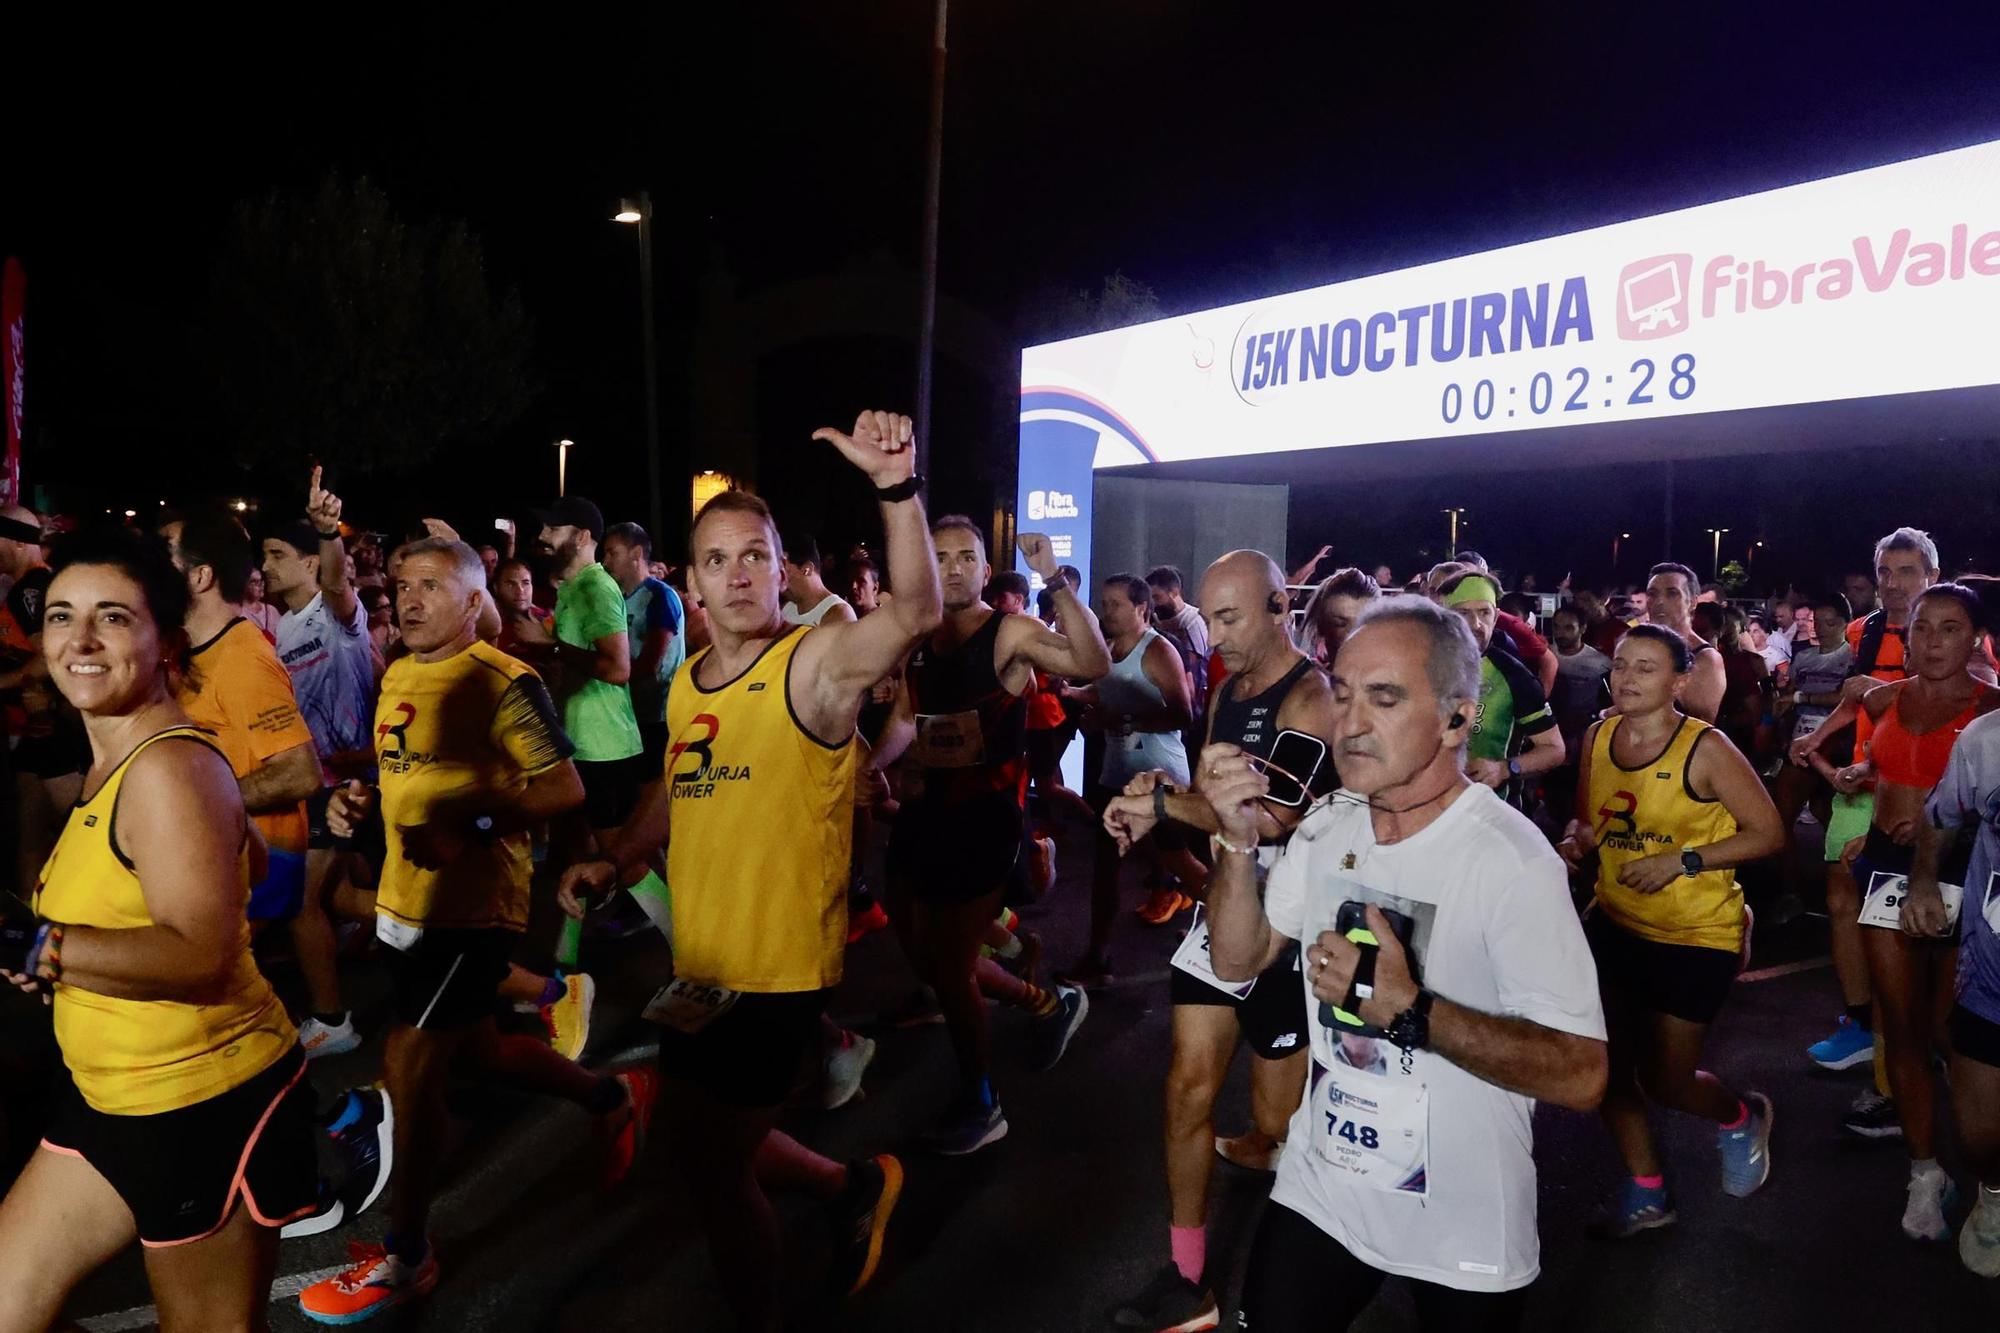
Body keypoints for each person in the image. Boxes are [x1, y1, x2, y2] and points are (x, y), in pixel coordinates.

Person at [558, 412, 934, 1328]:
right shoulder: (690, 680)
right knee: (699, 1146)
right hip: (705, 964)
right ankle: (849, 1187)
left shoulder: (814, 666)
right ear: (691, 579)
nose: (736, 574)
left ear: (780, 571)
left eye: (754, 557)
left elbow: (915, 611)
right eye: (717, 559)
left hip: (778, 972)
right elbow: (676, 786)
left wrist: (894, 487)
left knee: (718, 1176)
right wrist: (617, 857)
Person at [1205, 597, 1608, 1331]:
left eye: (1384, 698)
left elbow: (1583, 1075)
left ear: (1457, 719)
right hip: (1323, 1185)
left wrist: (1412, 1011)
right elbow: (1239, 956)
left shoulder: (1510, 861)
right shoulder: (1328, 825)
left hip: (1463, 1219)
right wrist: (1235, 844)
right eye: (1343, 692)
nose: (1349, 723)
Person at [295, 538, 655, 1324]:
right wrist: (355, 800)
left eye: (431, 585)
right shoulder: (399, 672)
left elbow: (561, 787)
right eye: (401, 585)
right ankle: (609, 1094)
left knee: (410, 1065)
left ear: (470, 602)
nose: (410, 598)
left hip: (475, 911)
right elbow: (406, 771)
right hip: (407, 904)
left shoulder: (504, 679)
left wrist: (474, 821)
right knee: (485, 1049)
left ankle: (407, 1254)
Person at [0, 524, 318, 1331]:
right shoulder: (113, 763)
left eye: (112, 615)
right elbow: (245, 873)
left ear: (167, 640)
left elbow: (198, 953)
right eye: (62, 614)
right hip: (106, 1102)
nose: (79, 637)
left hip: (201, 1103)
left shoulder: (171, 768)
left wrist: (44, 947)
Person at [1099, 550, 1340, 1333]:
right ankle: (1189, 1279)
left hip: (1293, 920)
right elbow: (1215, 799)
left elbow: (1270, 814)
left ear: (1278, 605)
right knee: (1186, 1085)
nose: (1213, 634)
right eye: (1209, 615)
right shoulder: (1229, 688)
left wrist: (1165, 803)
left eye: (1229, 616)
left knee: (1277, 1122)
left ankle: (1300, 1251)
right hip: (1226, 902)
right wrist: (1150, 800)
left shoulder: (1312, 695)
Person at [870, 515, 1105, 1153]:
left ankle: (983, 1098)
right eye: (939, 555)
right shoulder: (916, 636)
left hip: (984, 821)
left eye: (965, 556)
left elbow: (1092, 661)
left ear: (983, 566)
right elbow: (902, 718)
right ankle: (1045, 1001)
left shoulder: (1010, 633)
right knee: (919, 950)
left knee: (948, 969)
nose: (951, 567)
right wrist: (869, 769)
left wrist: (1053, 577)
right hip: (924, 813)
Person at [1561, 624, 1785, 1238]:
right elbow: (1590, 823)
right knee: (1601, 1068)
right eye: (1621, 664)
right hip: (1613, 924)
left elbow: (1768, 832)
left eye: (1646, 668)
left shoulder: (1704, 748)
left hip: (1693, 937)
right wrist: (1574, 843)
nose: (1626, 678)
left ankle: (1739, 1117)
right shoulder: (1598, 735)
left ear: (1680, 681)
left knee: (1669, 1081)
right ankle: (1646, 1190)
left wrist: (1682, 861)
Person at [1792, 583, 2000, 1240]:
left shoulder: (1992, 710)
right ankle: (1924, 1170)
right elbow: (1876, 754)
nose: (1934, 640)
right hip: (1886, 868)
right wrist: (1862, 783)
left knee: (1951, 1035)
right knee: (1901, 1029)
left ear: (1976, 637)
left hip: (1959, 876)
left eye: (1951, 627)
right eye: (1922, 627)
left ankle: (1986, 1174)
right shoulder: (1885, 696)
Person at [514, 497, 662, 961]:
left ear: (582, 537)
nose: (542, 538)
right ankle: (562, 966)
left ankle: (694, 951)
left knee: (623, 860)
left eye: (553, 529)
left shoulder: (597, 587)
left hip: (605, 746)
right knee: (570, 859)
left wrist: (552, 648)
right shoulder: (571, 588)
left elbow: (618, 667)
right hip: (578, 744)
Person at [262, 468, 378, 1057]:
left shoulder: (337, 618)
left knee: (302, 903)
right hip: (322, 783)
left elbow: (339, 589)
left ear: (311, 564)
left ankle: (333, 1021)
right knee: (339, 900)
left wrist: (328, 532)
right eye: (263, 555)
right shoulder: (282, 627)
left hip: (352, 783)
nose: (265, 565)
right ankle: (455, 939)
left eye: (279, 554)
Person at [1911, 682, 2000, 1275]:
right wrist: (1922, 879)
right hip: (1992, 984)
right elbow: (1940, 818)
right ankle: (1993, 1195)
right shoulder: (1985, 741)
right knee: (1980, 1139)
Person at [1069, 573, 1198, 948]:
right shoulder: (1106, 650)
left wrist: (1121, 720)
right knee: (1105, 867)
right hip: (1118, 772)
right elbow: (1105, 691)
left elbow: (1183, 714)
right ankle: (1097, 957)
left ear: (1141, 608)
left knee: (1180, 862)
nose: (1106, 611)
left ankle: (1229, 929)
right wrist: (1078, 699)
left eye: (1115, 604)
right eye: (1105, 603)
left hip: (1159, 774)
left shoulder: (1157, 650)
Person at [1777, 592, 1874, 1072]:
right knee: (1844, 900)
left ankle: (1916, 1032)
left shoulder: (1859, 649)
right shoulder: (1867, 639)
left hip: (1893, 775)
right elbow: (1853, 700)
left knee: (1909, 916)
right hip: (1849, 765)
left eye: (1906, 571)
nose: (1893, 583)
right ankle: (1865, 1024)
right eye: (1886, 572)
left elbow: (1853, 697)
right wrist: (1809, 735)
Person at [1437, 570, 1564, 804]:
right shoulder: (1422, 667)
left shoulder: (1513, 674)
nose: (1476, 624)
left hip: (1491, 812)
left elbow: (1554, 749)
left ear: (1495, 617)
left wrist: (1505, 769)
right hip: (1427, 813)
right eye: (1463, 613)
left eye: (1484, 613)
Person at [602, 521, 685, 775]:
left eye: (612, 553)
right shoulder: (621, 598)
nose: (606, 562)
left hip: (658, 716)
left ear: (637, 554)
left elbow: (651, 663)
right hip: (632, 713)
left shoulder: (659, 596)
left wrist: (604, 675)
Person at [1637, 562, 1726, 722]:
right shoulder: (1639, 646)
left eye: (1672, 593)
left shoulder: (1706, 658)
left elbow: (1701, 723)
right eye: (1652, 594)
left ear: (1692, 602)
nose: (1660, 601)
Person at [1692, 602, 1772, 765]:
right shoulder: (1680, 663)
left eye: (1701, 631)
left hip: (1729, 742)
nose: (1695, 637)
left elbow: (1757, 710)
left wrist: (1720, 723)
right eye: (1692, 630)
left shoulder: (1739, 663)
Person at [1296, 566, 1378, 669]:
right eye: (1341, 624)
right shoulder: (1308, 682)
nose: (1353, 634)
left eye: (1364, 623)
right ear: (1321, 628)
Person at [782, 532, 857, 627]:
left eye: (784, 572)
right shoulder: (787, 609)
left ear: (807, 569)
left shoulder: (838, 614)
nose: (780, 580)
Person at [1147, 564, 1210, 660]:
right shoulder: (1154, 619)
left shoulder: (1193, 619)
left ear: (1174, 592)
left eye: (1157, 597)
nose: (1154, 603)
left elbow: (1192, 663)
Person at [492, 557, 552, 654]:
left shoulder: (546, 618)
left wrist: (546, 642)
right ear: (496, 588)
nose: (520, 591)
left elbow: (568, 656)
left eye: (525, 583)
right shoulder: (489, 624)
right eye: (511, 584)